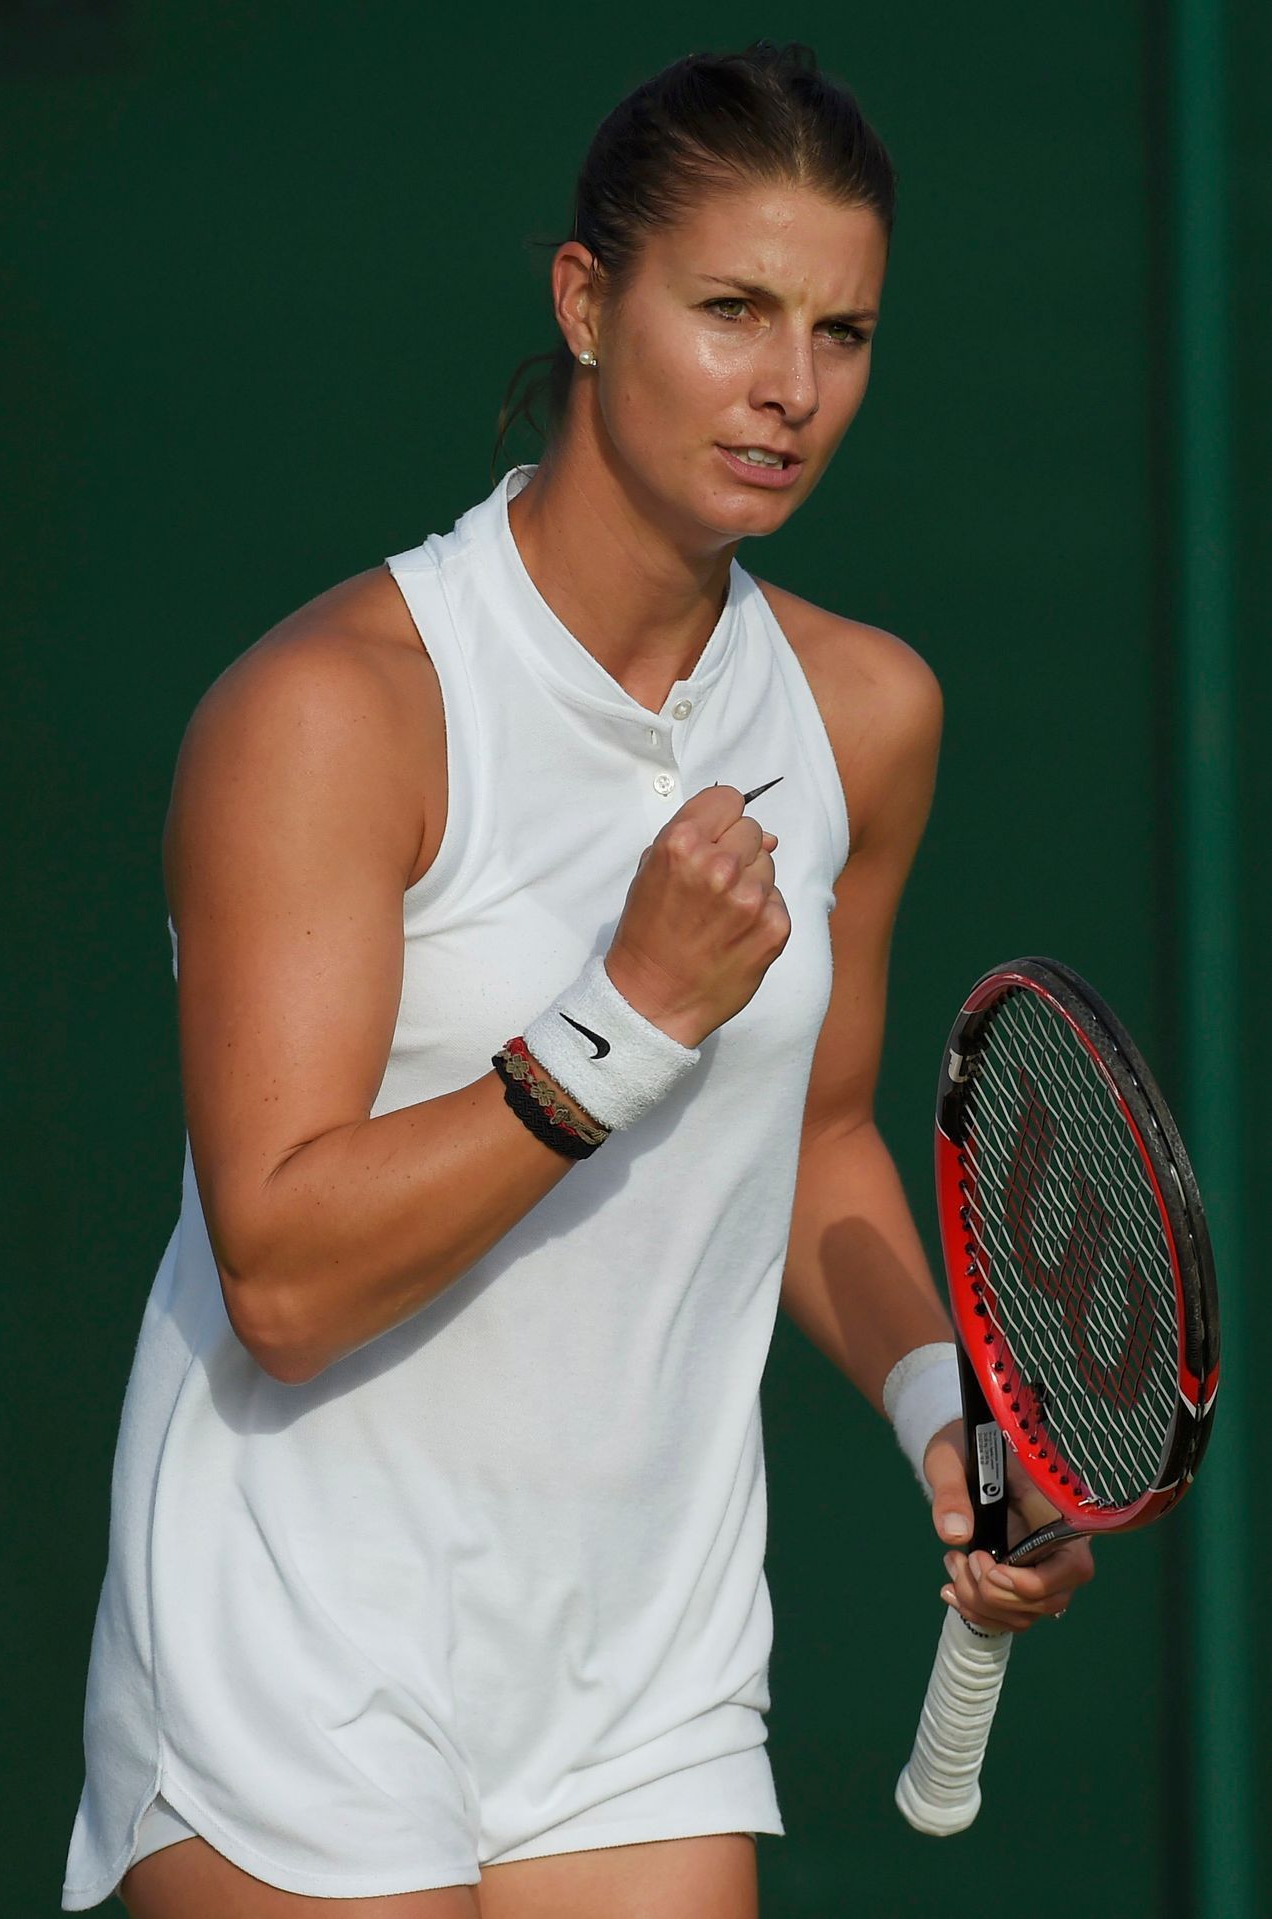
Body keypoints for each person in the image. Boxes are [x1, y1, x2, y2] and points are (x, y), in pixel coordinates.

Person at [61, 40, 1093, 1919]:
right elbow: (281, 1280)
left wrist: (945, 1406)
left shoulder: (863, 715)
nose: (788, 387)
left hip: (645, 1662)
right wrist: (627, 1018)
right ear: (586, 302)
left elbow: (828, 1131)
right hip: (298, 1638)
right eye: (730, 311)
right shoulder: (330, 715)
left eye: (840, 332)